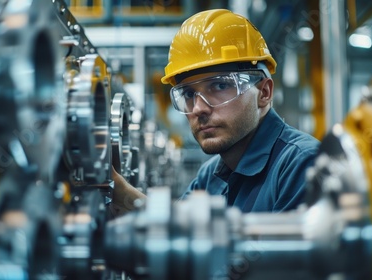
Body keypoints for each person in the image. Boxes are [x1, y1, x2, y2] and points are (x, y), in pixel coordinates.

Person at [111, 9, 319, 214]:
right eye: (189, 94)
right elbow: (180, 233)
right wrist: (119, 192)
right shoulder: (210, 175)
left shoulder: (303, 165)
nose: (199, 108)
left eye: (220, 86)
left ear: (263, 92)